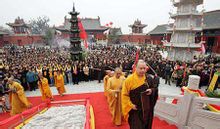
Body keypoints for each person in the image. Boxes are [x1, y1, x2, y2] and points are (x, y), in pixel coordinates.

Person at [121, 60, 158, 129]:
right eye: (140, 68)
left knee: (146, 126)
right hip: (135, 109)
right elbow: (124, 95)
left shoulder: (148, 78)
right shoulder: (129, 80)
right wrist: (130, 105)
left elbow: (154, 89)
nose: (143, 70)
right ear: (135, 68)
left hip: (147, 109)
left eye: (144, 68)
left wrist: (151, 90)